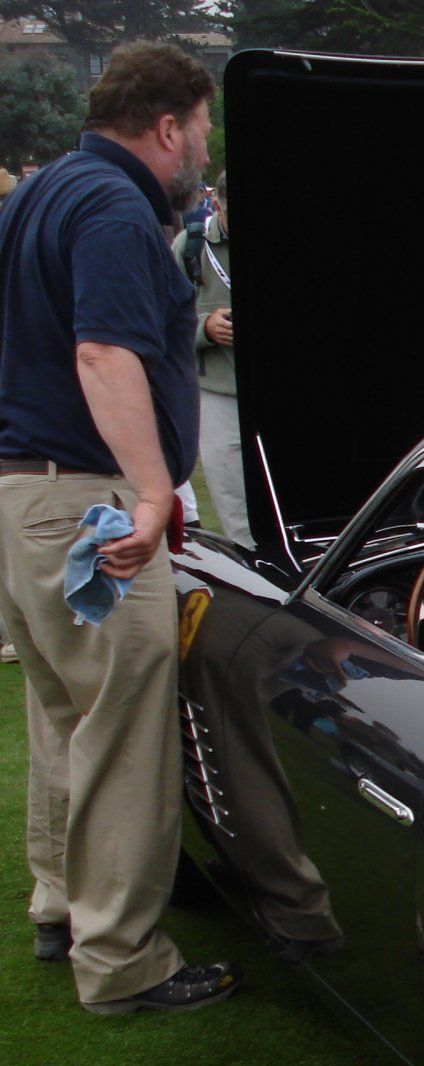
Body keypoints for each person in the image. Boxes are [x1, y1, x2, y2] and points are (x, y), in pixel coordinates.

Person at [0, 42, 240, 1013]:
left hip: (27, 495)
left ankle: (62, 906)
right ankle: (120, 958)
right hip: (84, 500)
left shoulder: (37, 193)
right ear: (169, 126)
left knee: (65, 713)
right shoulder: (109, 205)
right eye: (204, 130)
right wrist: (151, 493)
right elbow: (103, 353)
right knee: (126, 725)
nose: (205, 151)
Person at [169, 168, 248, 546]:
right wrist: (205, 328)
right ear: (216, 203)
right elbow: (161, 324)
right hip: (220, 397)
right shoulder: (190, 246)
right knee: (236, 515)